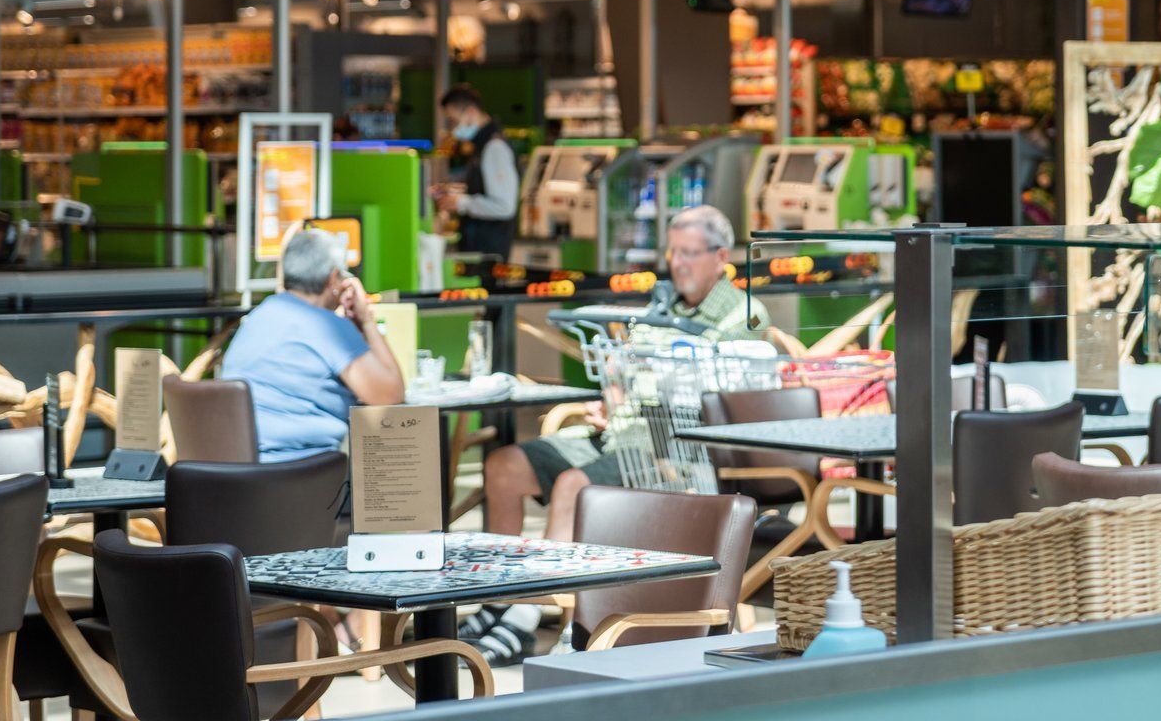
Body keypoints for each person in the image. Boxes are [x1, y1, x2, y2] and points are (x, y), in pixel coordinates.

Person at [468, 204, 768, 665]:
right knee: (504, 466)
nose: (678, 263)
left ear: (721, 256)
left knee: (574, 486)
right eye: (673, 252)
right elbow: (623, 370)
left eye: (689, 253)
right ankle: (498, 598)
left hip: (673, 450)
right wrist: (610, 396)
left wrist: (638, 389)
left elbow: (725, 394)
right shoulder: (660, 306)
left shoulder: (742, 316)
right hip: (618, 433)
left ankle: (528, 616)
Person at [219, 227, 405, 461]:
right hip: (298, 468)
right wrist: (366, 320)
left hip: (239, 466)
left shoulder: (259, 316)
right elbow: (390, 395)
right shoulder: (328, 326)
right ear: (333, 279)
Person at [435, 85, 518, 257]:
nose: (452, 129)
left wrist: (462, 203)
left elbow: (504, 207)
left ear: (471, 112)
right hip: (480, 250)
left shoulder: (495, 147)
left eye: (453, 121)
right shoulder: (482, 146)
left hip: (487, 254)